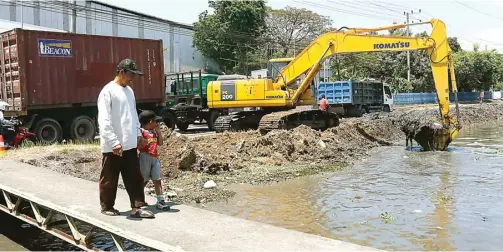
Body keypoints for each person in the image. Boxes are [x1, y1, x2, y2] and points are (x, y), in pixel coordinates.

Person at [97, 58, 154, 219]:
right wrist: (114, 142)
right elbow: (104, 120)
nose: (132, 79)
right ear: (122, 72)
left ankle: (137, 207)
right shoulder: (108, 91)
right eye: (131, 74)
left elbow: (133, 116)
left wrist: (138, 135)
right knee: (110, 177)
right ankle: (107, 206)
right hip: (113, 146)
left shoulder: (129, 91)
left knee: (135, 177)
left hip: (129, 144)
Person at [138, 110, 170, 210]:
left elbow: (160, 143)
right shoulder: (141, 132)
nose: (157, 124)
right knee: (144, 180)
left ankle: (160, 201)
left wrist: (159, 132)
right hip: (144, 157)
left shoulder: (154, 132)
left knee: (157, 180)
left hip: (155, 158)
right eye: (155, 121)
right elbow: (139, 145)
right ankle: (139, 199)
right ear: (150, 121)